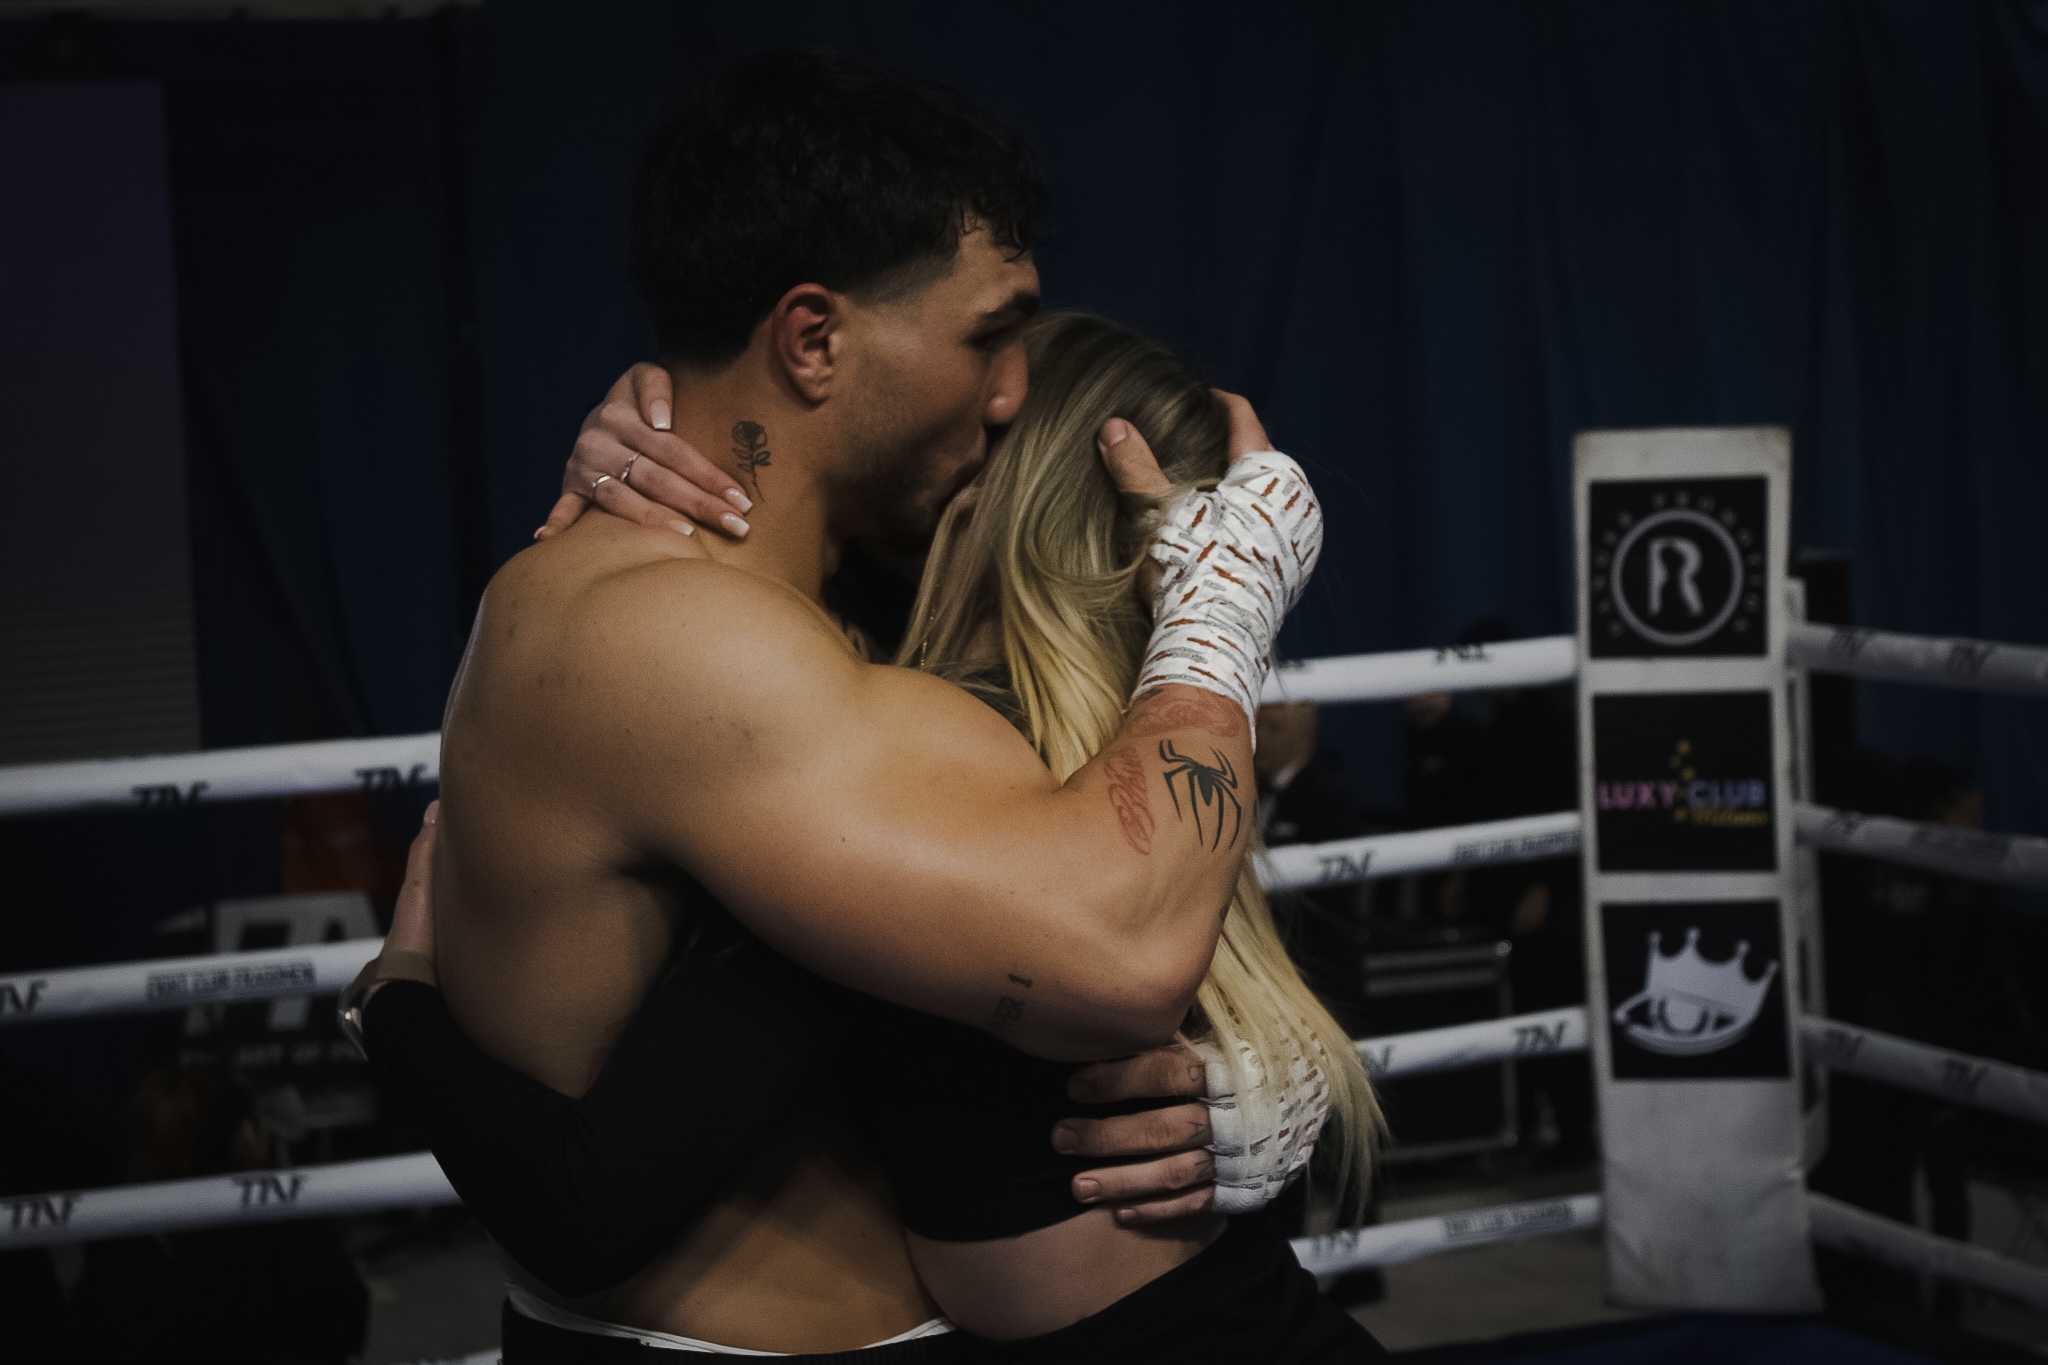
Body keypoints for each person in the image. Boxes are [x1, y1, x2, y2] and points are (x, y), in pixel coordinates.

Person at [344, 53, 1359, 1361]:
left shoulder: (812, 602)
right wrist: (1218, 613)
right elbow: (1119, 955)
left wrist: (1263, 1077)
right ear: (814, 339)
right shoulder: (668, 632)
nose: (1011, 391)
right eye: (987, 336)